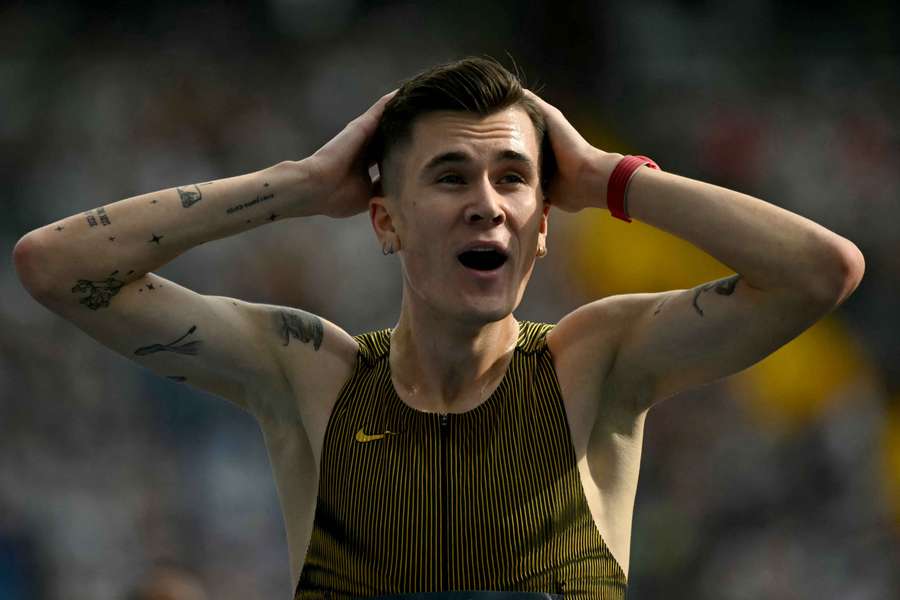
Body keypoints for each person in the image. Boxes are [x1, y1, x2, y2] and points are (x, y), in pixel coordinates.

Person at [13, 57, 865, 599]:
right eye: (451, 177)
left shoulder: (591, 364)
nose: (485, 204)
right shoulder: (312, 376)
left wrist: (608, 178)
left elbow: (820, 271)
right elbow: (57, 267)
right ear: (384, 221)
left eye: (513, 179)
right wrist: (306, 182)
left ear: (541, 225)